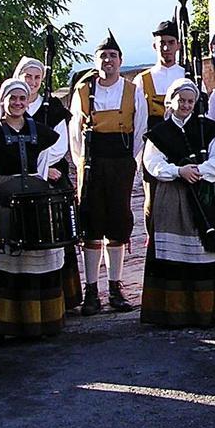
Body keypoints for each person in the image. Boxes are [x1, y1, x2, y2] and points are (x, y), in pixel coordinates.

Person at [0, 79, 67, 346]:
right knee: (6, 261)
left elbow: (45, 164)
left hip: (35, 197)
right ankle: (3, 325)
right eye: (12, 98)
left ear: (28, 102)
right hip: (3, 197)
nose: (17, 103)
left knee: (37, 256)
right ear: (2, 101)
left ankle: (43, 321)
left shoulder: (42, 132)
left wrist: (39, 185)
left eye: (22, 99)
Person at [141, 78, 215, 326]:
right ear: (170, 102)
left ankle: (210, 310)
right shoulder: (158, 134)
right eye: (181, 100)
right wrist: (178, 171)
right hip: (173, 198)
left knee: (207, 250)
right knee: (175, 255)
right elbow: (152, 163)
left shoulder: (210, 129)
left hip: (205, 194)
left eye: (190, 101)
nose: (185, 105)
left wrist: (199, 171)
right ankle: (175, 312)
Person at [68, 31, 145, 315]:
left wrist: (129, 161)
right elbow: (75, 132)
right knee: (91, 225)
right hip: (92, 164)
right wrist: (82, 165)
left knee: (118, 223)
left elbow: (140, 128)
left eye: (113, 56)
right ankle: (91, 290)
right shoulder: (84, 90)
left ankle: (115, 287)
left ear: (120, 60)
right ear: (95, 60)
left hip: (121, 162)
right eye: (103, 56)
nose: (108, 60)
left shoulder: (132, 90)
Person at [15, 56, 83, 312]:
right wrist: (33, 171)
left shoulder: (51, 108)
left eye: (36, 78)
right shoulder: (11, 103)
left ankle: (63, 297)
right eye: (27, 77)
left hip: (53, 175)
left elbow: (59, 145)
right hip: (21, 178)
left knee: (57, 235)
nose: (32, 83)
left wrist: (41, 170)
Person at [134, 20, 188, 130]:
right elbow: (138, 120)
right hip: (154, 142)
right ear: (154, 46)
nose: (166, 48)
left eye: (171, 42)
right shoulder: (142, 80)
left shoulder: (188, 77)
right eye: (162, 43)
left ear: (178, 46)